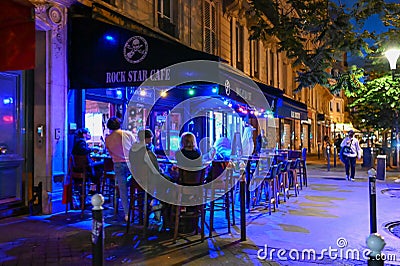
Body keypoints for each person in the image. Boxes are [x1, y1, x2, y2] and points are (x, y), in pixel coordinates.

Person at [105, 117, 136, 222]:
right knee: (138, 183)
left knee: (122, 190)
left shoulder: (107, 138)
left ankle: (127, 214)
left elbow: (110, 153)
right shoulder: (127, 134)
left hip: (118, 163)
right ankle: (142, 206)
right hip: (131, 163)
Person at [71, 128, 102, 194]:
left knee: (98, 166)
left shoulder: (78, 141)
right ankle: (95, 189)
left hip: (78, 167)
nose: (90, 134)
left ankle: (93, 187)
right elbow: (83, 150)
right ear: (84, 134)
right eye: (88, 133)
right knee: (102, 165)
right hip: (84, 167)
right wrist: (92, 149)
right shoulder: (81, 142)